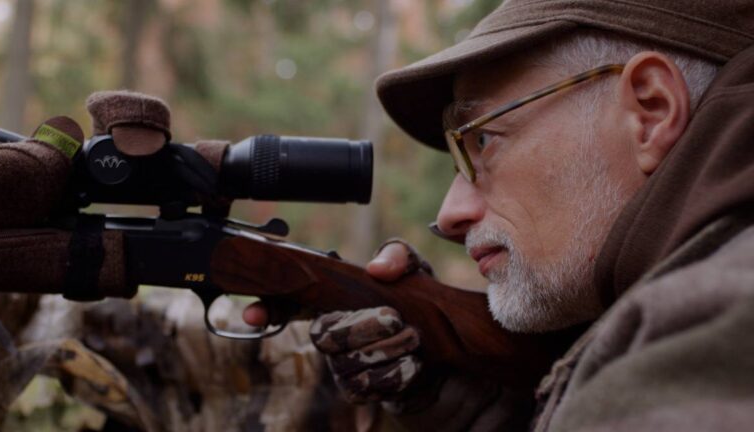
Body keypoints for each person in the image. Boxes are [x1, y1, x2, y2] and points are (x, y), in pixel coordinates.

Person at [245, 0, 754, 430]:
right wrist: (483, 410)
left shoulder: (713, 328)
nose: (449, 215)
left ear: (651, 111)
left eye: (483, 140)